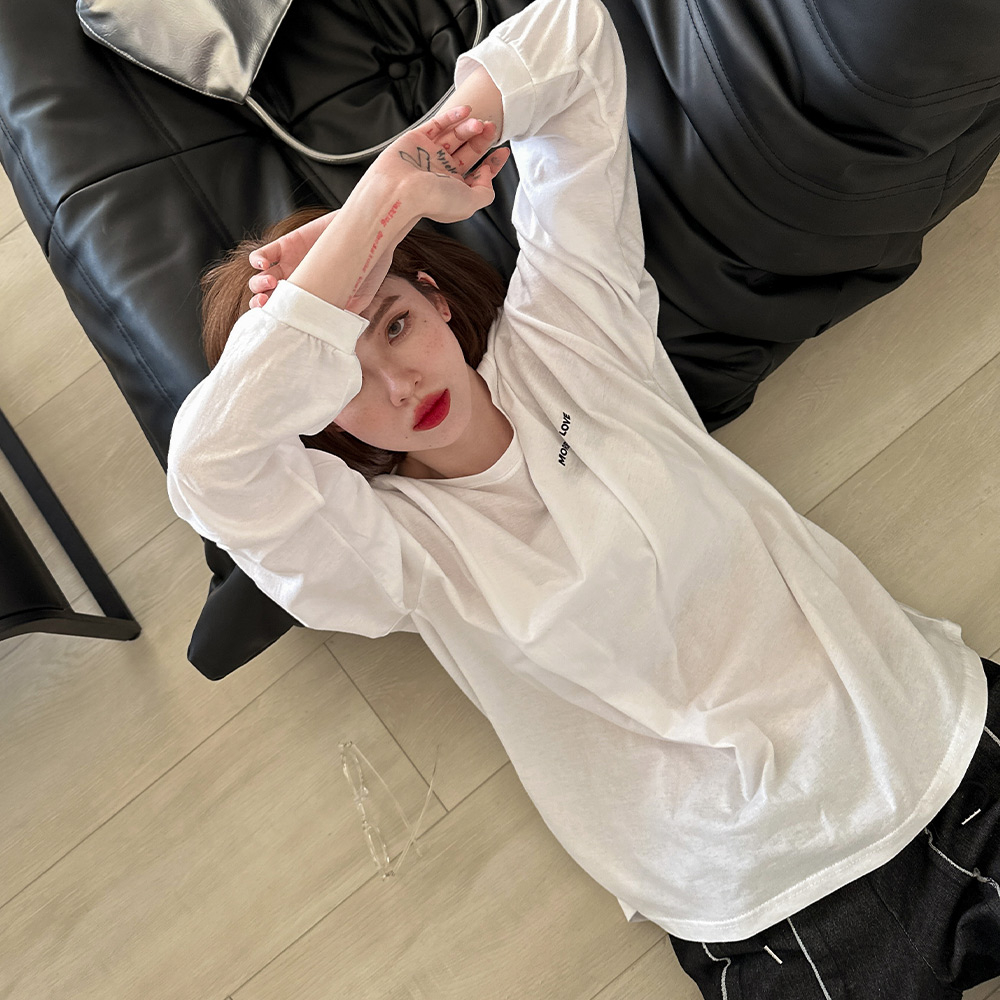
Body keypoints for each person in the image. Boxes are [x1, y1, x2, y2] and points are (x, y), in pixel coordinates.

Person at [166, 0, 999, 993]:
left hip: (928, 736)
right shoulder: (383, 555)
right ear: (315, 414)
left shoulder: (571, 330)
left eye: (392, 323)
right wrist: (350, 256)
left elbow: (575, 38)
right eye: (340, 379)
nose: (397, 382)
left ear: (435, 297)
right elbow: (210, 467)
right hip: (771, 902)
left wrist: (387, 195)